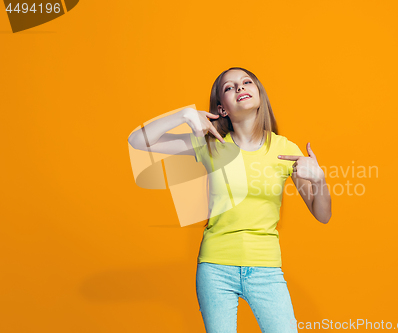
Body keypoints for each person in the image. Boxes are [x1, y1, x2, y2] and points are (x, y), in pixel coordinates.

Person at [128, 67, 331, 332]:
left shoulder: (285, 150)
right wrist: (183, 115)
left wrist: (320, 181)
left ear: (259, 95)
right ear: (222, 108)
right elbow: (137, 141)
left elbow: (323, 215)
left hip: (266, 269)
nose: (239, 88)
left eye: (247, 82)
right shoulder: (211, 144)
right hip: (215, 269)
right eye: (229, 87)